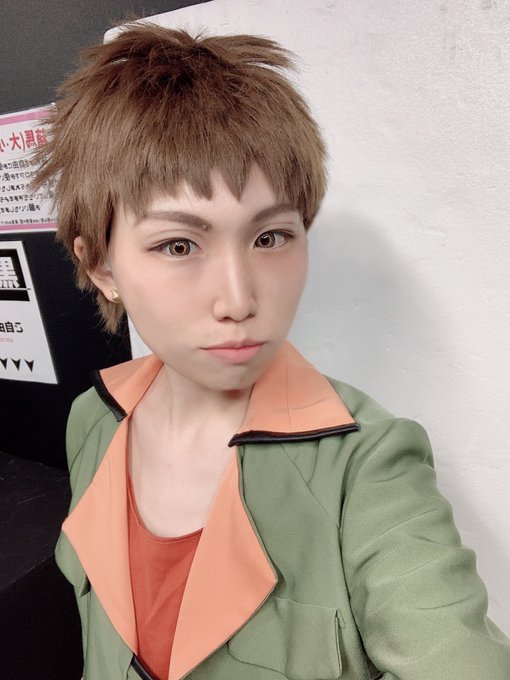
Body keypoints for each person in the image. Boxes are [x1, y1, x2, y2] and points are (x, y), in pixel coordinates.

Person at [31, 21, 510, 680]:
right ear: (101, 266)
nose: (239, 298)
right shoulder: (93, 420)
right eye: (178, 245)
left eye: (270, 237)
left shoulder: (367, 466)